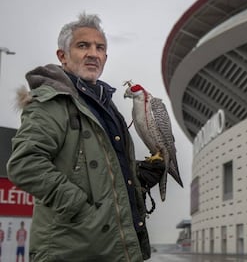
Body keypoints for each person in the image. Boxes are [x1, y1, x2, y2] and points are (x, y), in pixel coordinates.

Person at [7, 13, 160, 261]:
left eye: (100, 48)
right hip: (72, 251)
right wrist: (81, 209)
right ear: (62, 56)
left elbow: (102, 176)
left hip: (116, 248)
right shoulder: (52, 102)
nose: (93, 53)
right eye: (83, 45)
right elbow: (25, 164)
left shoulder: (107, 109)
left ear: (105, 58)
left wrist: (136, 178)